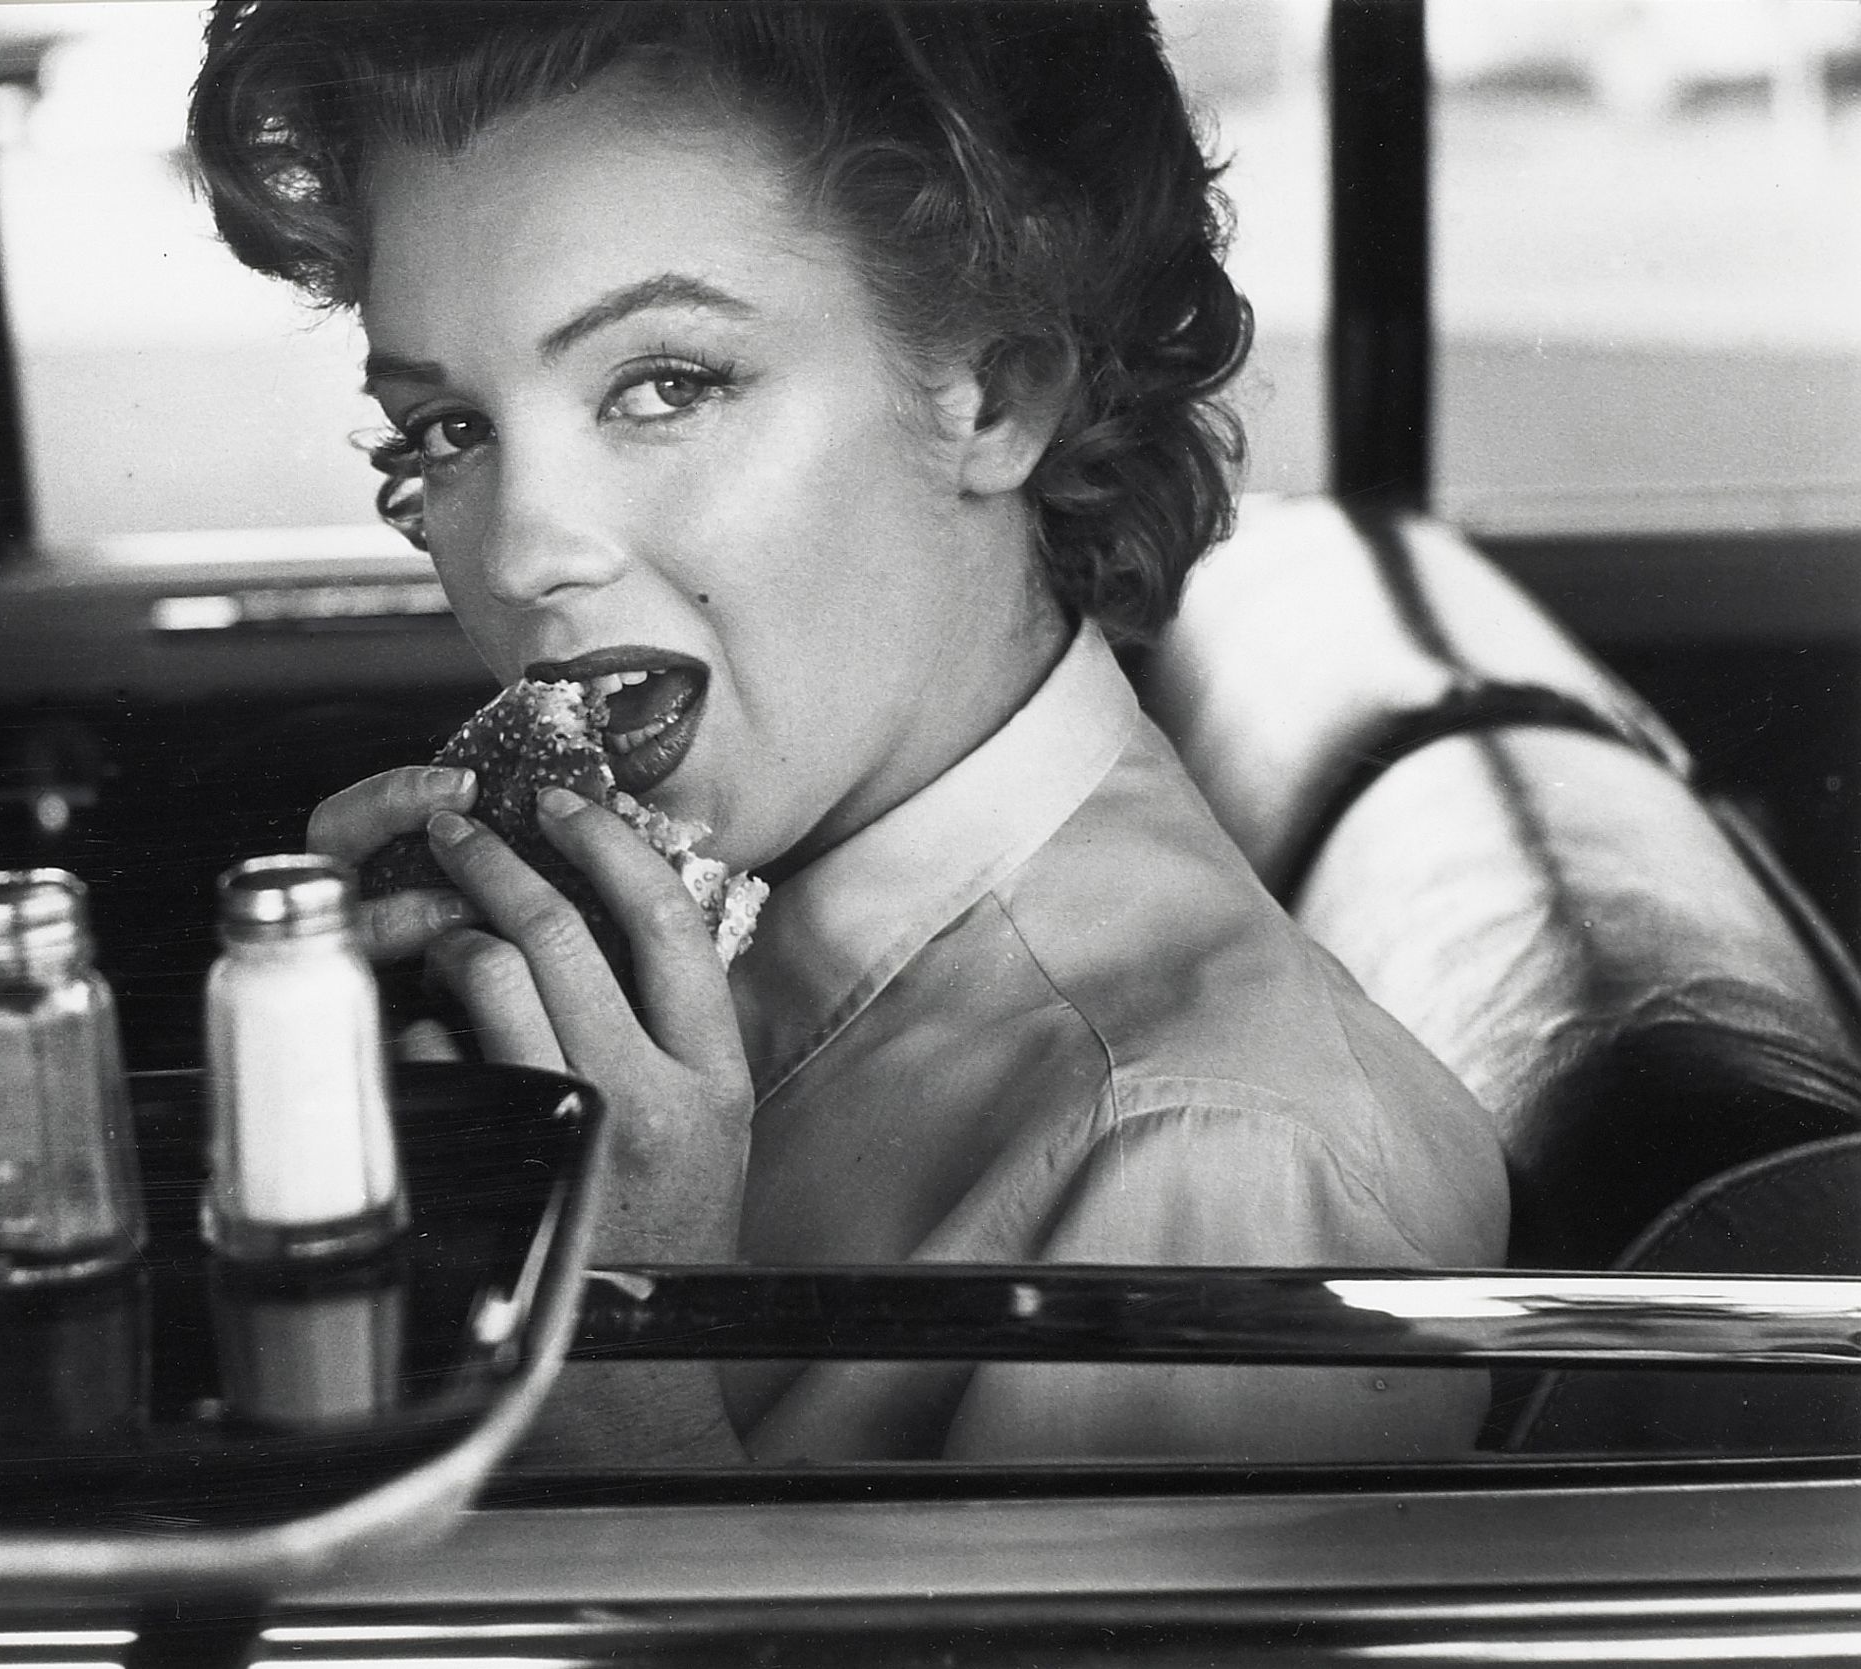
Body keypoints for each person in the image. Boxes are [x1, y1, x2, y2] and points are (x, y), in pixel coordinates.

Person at [188, 0, 1510, 1464]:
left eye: (666, 384)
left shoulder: (1219, 1166)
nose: (518, 553)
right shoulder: (645, 912)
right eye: (451, 428)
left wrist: (613, 1331)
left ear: (994, 395)